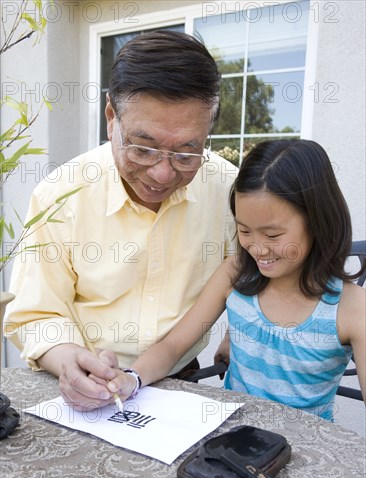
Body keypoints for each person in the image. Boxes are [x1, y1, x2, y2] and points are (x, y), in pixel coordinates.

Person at [4, 31, 237, 410]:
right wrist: (68, 361)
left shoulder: (229, 190)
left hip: (183, 381)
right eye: (143, 148)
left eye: (186, 153)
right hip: (80, 383)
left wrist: (238, 335)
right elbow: (35, 312)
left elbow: (255, 276)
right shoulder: (60, 194)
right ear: (111, 117)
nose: (162, 174)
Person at [103, 139, 365, 421]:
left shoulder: (351, 309)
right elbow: (173, 346)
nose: (258, 249)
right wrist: (132, 378)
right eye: (245, 231)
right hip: (232, 442)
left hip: (307, 453)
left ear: (318, 222)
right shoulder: (235, 273)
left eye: (273, 235)